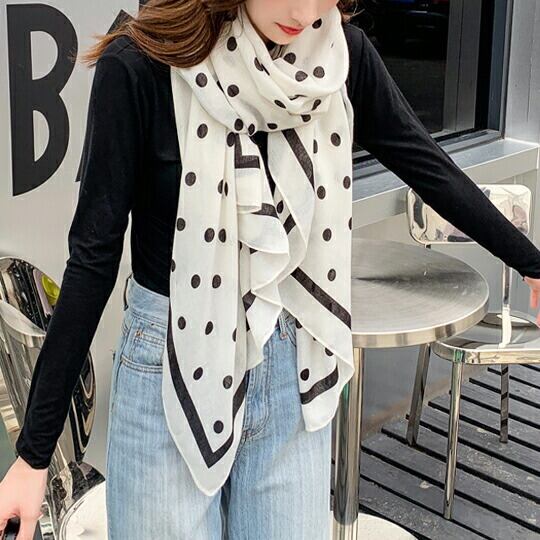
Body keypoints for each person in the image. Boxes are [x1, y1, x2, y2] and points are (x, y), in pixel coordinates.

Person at [2, 0, 540, 538]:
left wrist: (531, 263)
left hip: (291, 363)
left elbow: (426, 164)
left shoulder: (336, 57)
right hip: (169, 363)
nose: (304, 12)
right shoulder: (141, 63)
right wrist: (33, 456)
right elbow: (92, 261)